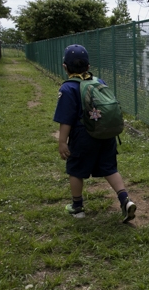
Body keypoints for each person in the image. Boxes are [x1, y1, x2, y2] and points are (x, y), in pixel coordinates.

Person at [53, 44, 136, 222]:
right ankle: (125, 200)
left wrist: (62, 142)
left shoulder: (67, 89)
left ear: (65, 67)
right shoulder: (99, 82)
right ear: (88, 67)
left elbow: (66, 120)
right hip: (106, 133)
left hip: (83, 136)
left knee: (75, 170)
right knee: (109, 168)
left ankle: (77, 208)